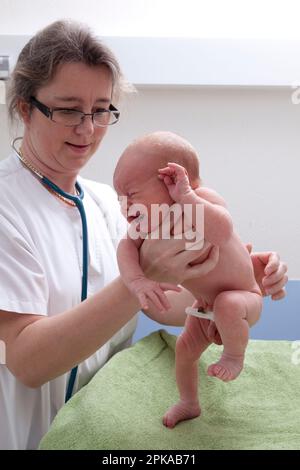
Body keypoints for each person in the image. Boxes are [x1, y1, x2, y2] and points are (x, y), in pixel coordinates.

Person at [0, 21, 287, 450]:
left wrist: (232, 279)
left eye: (101, 109)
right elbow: (27, 362)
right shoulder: (7, 206)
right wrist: (138, 279)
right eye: (67, 109)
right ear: (25, 108)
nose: (88, 128)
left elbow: (168, 307)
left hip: (102, 430)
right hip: (26, 435)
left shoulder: (111, 205)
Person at [113, 131, 285, 428]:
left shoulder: (202, 200)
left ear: (173, 181)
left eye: (132, 195)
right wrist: (138, 281)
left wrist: (187, 198)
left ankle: (233, 355)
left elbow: (220, 232)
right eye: (120, 197)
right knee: (185, 349)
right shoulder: (147, 226)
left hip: (244, 296)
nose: (125, 206)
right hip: (202, 307)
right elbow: (125, 248)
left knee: (228, 303)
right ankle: (188, 402)